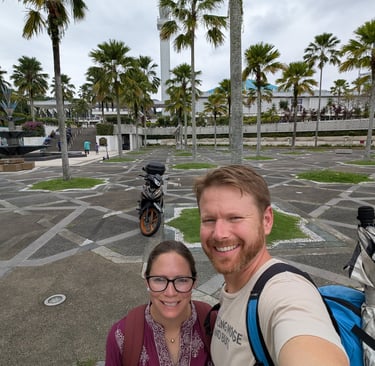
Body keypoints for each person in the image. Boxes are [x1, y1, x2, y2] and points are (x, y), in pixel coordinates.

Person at [193, 165, 349, 366]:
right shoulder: (235, 288)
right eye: (209, 220)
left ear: (266, 220)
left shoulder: (286, 293)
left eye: (235, 218)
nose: (219, 233)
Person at [105, 240, 214, 366]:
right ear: (147, 282)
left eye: (182, 280)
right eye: (159, 280)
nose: (170, 292)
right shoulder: (121, 337)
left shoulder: (213, 324)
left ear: (194, 283)